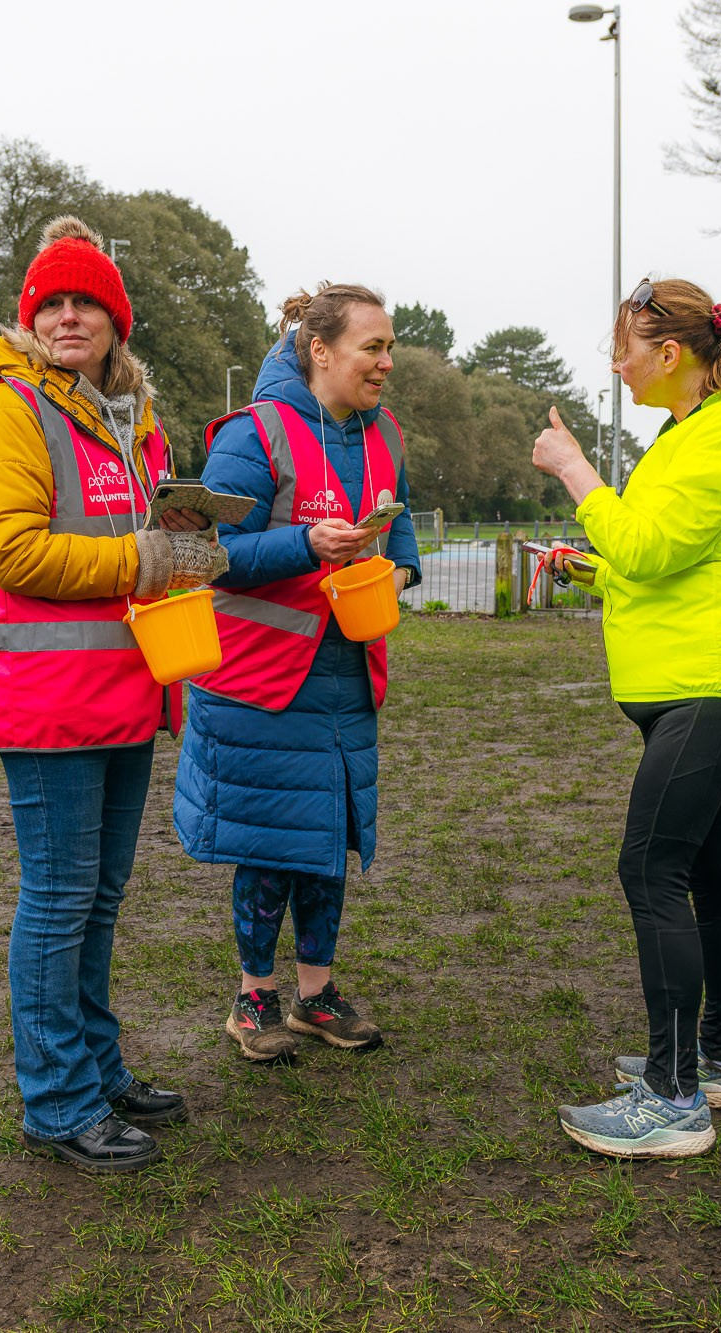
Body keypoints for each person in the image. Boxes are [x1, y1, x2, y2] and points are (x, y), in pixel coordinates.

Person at [0, 217, 229, 1172]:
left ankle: (97, 1068)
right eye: (52, 302)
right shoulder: (9, 411)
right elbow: (14, 550)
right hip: (47, 698)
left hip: (123, 689)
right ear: (31, 317)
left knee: (98, 899)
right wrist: (147, 557)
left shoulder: (129, 419)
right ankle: (57, 1100)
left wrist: (190, 546)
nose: (69, 316)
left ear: (117, 320)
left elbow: (144, 539)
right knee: (61, 898)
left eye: (88, 302)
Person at [531, 278, 721, 1159]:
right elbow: (662, 561)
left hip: (715, 685)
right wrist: (595, 570)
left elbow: (648, 541)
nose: (615, 364)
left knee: (651, 868)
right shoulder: (693, 435)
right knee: (709, 870)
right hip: (704, 679)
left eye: (625, 347)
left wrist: (572, 467)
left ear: (671, 353)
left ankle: (672, 1097)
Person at [173, 283, 422, 1062]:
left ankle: (316, 995)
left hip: (345, 676)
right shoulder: (255, 437)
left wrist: (402, 571)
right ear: (320, 351)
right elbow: (206, 555)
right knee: (270, 844)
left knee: (327, 839)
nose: (387, 362)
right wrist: (303, 547)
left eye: (389, 347)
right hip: (259, 685)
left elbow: (401, 513)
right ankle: (254, 998)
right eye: (371, 348)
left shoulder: (386, 436)